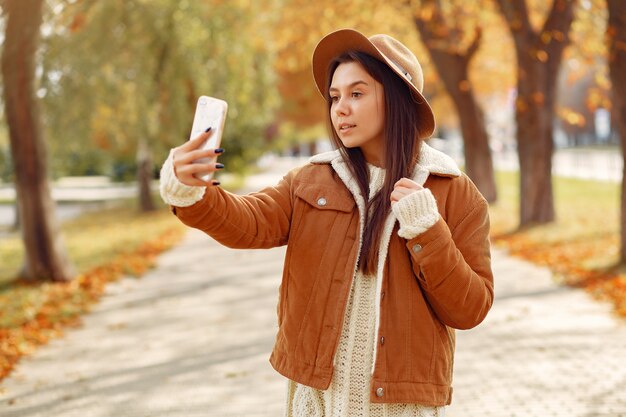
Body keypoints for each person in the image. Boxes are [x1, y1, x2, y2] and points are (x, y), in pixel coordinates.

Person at [159, 28, 493, 417]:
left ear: (398, 99)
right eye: (335, 97)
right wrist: (188, 187)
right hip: (316, 401)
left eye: (357, 93)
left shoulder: (455, 193)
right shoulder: (311, 180)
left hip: (404, 407)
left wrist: (428, 231)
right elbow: (246, 222)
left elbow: (470, 308)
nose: (340, 108)